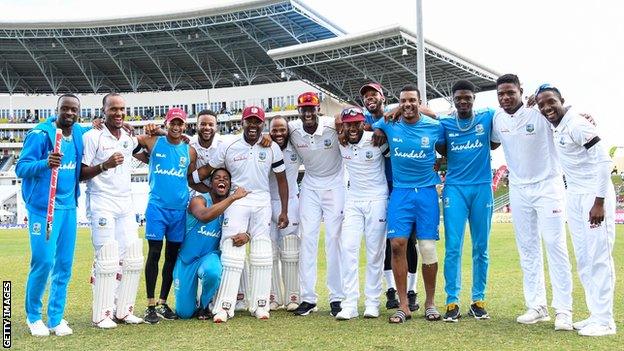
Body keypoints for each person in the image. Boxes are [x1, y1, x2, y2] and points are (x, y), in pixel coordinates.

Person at [490, 74, 573, 330]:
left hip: (548, 185)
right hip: (518, 187)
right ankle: (537, 305)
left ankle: (564, 310)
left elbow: (563, 111)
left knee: (555, 245)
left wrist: (583, 114)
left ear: (520, 91)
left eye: (510, 93)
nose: (505, 98)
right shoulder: (497, 118)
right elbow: (492, 143)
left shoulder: (538, 111)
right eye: (501, 94)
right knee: (527, 248)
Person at [193, 106, 289, 322]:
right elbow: (208, 169)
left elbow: (282, 180)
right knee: (231, 249)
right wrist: (188, 179)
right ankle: (225, 306)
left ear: (262, 124)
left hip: (262, 202)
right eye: (249, 121)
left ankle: (260, 304)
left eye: (257, 122)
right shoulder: (229, 145)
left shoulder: (271, 146)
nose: (253, 125)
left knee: (262, 252)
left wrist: (284, 210)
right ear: (242, 123)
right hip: (236, 200)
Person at [535, 84, 617, 336]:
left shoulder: (577, 123)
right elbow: (534, 102)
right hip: (575, 196)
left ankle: (605, 321)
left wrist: (599, 202)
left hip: (594, 196)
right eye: (542, 104)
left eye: (551, 102)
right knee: (584, 259)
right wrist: (533, 99)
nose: (547, 107)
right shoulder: (557, 124)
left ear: (562, 100)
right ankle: (595, 315)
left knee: (599, 258)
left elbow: (604, 161)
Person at [17, 94, 88, 336]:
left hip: (69, 208)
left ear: (78, 112)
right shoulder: (39, 134)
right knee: (44, 262)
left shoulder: (78, 131)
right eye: (65, 109)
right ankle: (34, 316)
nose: (69, 113)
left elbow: (97, 130)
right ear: (56, 110)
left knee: (64, 265)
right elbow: (21, 167)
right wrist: (45, 163)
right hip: (43, 209)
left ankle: (56, 318)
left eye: (74, 110)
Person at [372, 85, 444, 323]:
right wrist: (391, 111)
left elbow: (447, 149)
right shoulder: (389, 123)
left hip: (426, 193)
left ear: (420, 101)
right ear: (398, 103)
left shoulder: (434, 126)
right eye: (403, 101)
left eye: (412, 100)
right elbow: (366, 122)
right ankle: (403, 305)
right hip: (400, 193)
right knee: (397, 245)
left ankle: (430, 304)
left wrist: (440, 162)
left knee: (427, 248)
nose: (407, 105)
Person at [80, 93, 144, 328]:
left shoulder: (127, 135)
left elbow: (144, 143)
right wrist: (104, 165)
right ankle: (102, 314)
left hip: (125, 203)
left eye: (122, 109)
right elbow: (81, 174)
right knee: (107, 257)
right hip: (101, 201)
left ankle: (123, 310)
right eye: (113, 109)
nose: (118, 113)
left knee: (131, 257)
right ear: (103, 111)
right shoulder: (92, 136)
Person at [436, 80, 495, 322]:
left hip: (482, 188)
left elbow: (513, 114)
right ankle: (452, 301)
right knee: (453, 247)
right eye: (459, 98)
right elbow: (435, 141)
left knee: (481, 248)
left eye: (467, 98)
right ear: (453, 99)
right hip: (455, 190)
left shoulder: (487, 117)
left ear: (473, 99)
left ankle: (478, 300)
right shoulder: (445, 123)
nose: (463, 101)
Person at [360, 83, 420, 312]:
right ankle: (391, 290)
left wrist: (391, 115)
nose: (369, 98)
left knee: (410, 241)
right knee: (388, 241)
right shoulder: (364, 119)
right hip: (378, 188)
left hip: (404, 185)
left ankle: (412, 291)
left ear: (383, 96)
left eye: (373, 94)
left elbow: (426, 112)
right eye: (365, 96)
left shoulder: (397, 112)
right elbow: (340, 119)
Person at [136, 108, 197, 324]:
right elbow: (134, 144)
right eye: (173, 123)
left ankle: (163, 302)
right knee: (154, 254)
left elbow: (189, 177)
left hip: (179, 211)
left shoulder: (190, 152)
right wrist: (157, 132)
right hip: (157, 208)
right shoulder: (153, 142)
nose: (177, 127)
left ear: (185, 125)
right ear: (167, 123)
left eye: (180, 123)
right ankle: (150, 305)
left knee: (171, 257)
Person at [289, 92, 345, 317]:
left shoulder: (333, 125)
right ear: (299, 111)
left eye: (312, 108)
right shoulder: (293, 129)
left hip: (335, 185)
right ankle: (308, 298)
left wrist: (341, 117)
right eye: (304, 109)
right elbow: (277, 130)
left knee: (333, 239)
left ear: (318, 109)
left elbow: (349, 117)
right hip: (310, 185)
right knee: (307, 240)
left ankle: (337, 298)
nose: (309, 113)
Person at [174, 168, 250, 320]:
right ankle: (191, 302)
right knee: (184, 314)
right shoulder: (199, 200)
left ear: (229, 185)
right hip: (187, 259)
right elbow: (204, 216)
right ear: (210, 183)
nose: (222, 180)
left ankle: (204, 305)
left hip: (209, 256)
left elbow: (249, 227)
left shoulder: (233, 208)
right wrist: (232, 197)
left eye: (226, 179)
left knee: (213, 272)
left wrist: (247, 235)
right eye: (217, 178)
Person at [335, 107, 389, 320]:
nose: (353, 128)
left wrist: (380, 129)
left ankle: (372, 302)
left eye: (357, 123)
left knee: (375, 252)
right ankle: (349, 303)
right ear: (343, 126)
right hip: (353, 200)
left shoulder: (376, 139)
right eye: (348, 124)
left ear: (363, 123)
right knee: (348, 248)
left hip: (377, 198)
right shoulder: (342, 143)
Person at [268, 115, 302, 311]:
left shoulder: (296, 146)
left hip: (290, 202)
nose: (279, 133)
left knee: (291, 250)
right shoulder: (264, 146)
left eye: (283, 129)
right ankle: (272, 296)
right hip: (267, 201)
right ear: (269, 130)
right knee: (269, 250)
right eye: (275, 130)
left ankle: (293, 296)